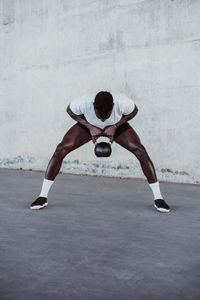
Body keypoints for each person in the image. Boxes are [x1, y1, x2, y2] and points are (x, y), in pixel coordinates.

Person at [30, 91, 171, 212]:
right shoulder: (84, 102)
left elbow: (134, 111)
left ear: (114, 107)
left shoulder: (122, 102)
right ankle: (42, 196)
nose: (103, 119)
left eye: (106, 116)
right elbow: (70, 110)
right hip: (89, 125)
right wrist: (89, 126)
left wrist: (115, 125)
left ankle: (158, 198)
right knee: (61, 149)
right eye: (100, 116)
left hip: (116, 126)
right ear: (93, 107)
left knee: (140, 151)